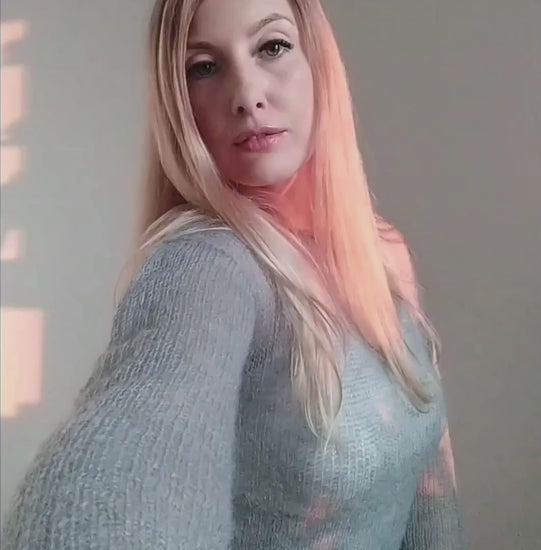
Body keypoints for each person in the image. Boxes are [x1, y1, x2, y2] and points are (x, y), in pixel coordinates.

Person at [1, 0, 464, 548]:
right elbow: (139, 433)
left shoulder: (384, 252)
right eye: (204, 67)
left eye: (272, 47)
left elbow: (431, 494)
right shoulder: (207, 264)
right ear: (180, 103)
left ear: (318, 62)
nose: (246, 95)